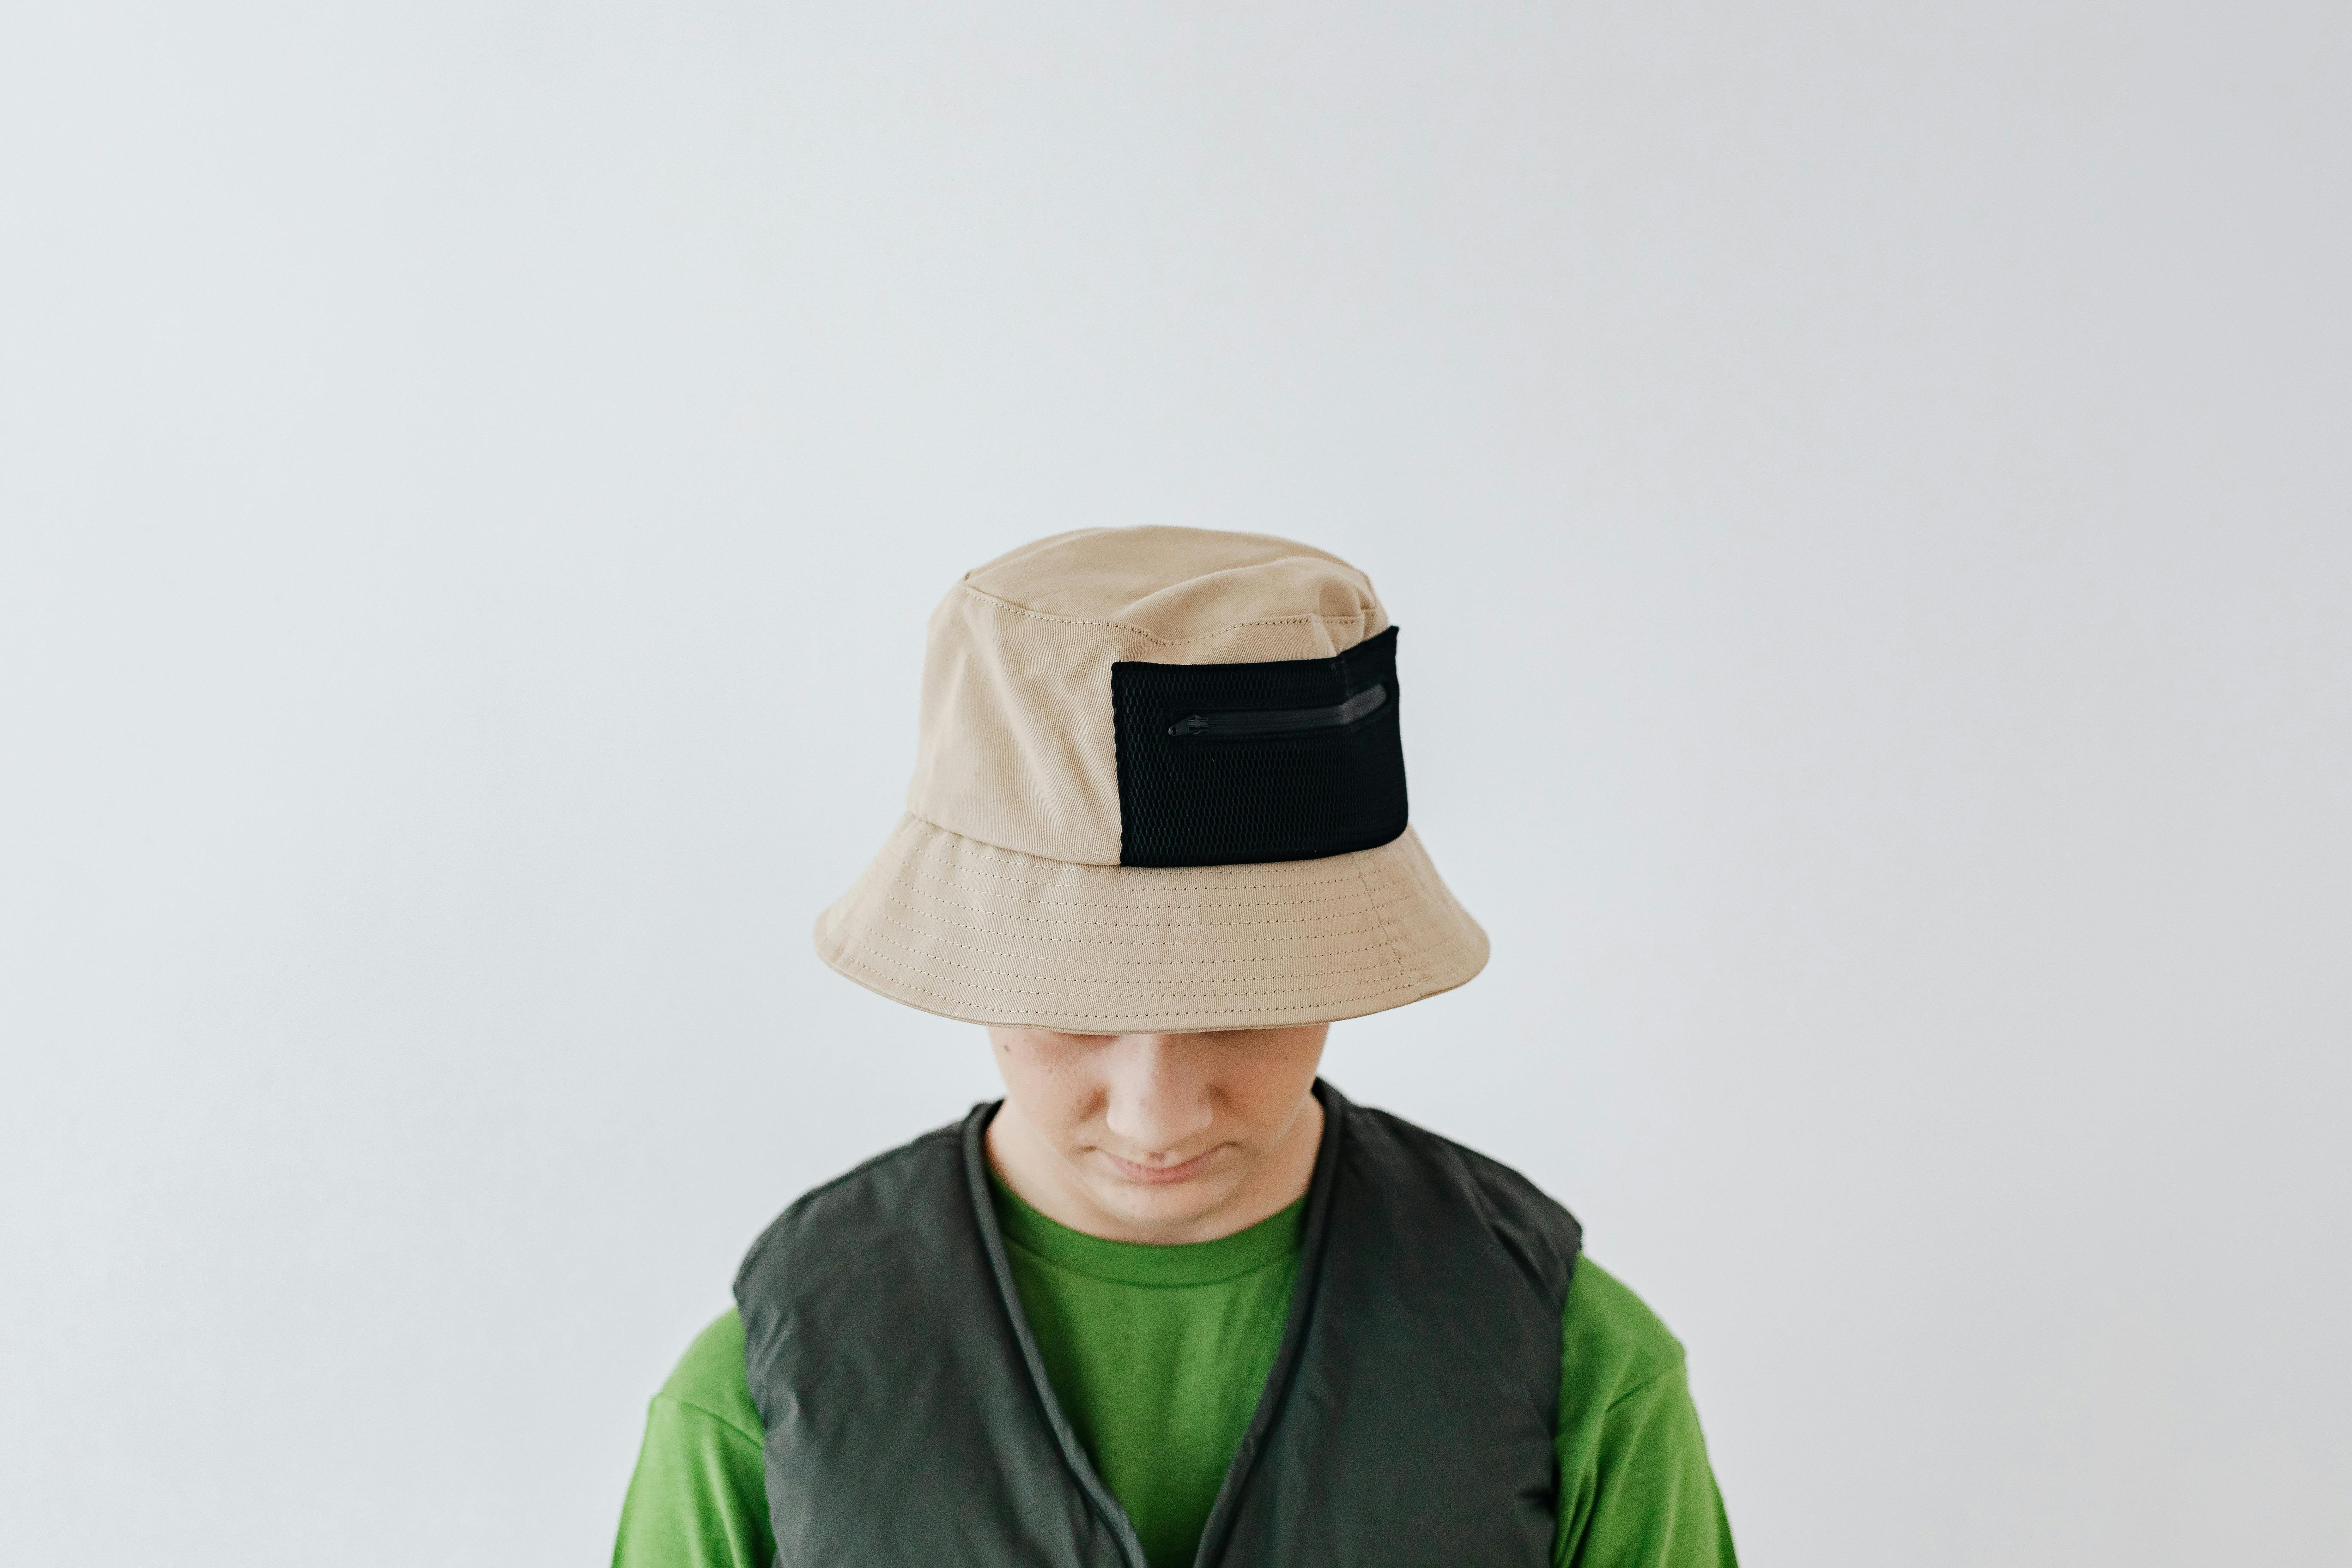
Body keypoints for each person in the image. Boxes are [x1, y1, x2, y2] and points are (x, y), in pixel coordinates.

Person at [612, 527, 1737, 1568]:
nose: (1158, 1112)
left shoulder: (1572, 1363)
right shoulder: (769, 1391)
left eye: (1240, 1005)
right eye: (1073, 1009)